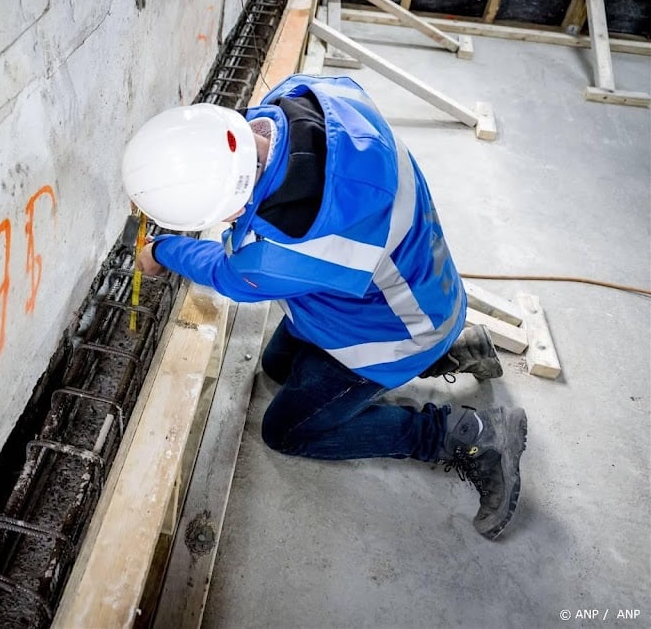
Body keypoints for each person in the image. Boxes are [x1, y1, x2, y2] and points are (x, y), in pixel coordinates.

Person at [120, 74, 527, 540]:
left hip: (392, 333)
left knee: (289, 431)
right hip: (420, 285)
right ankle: (454, 347)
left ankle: (465, 436)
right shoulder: (311, 94)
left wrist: (161, 250)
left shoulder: (282, 252)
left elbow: (223, 271)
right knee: (276, 368)